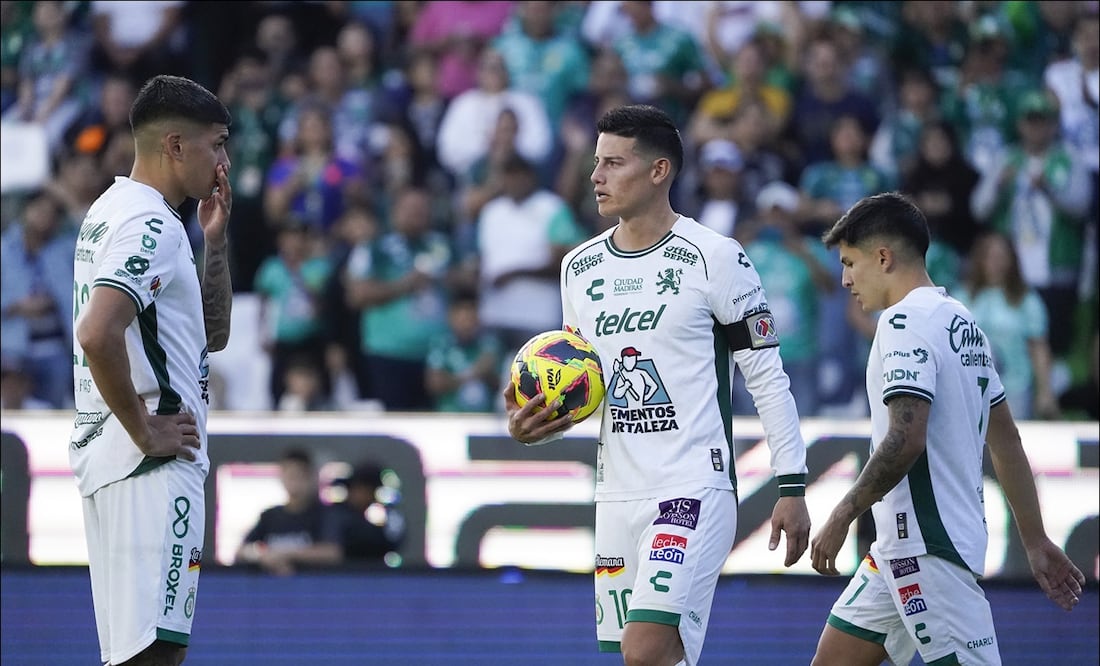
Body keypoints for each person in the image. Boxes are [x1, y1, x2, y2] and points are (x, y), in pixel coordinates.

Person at [504, 103, 811, 666]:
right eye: (596, 163)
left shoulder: (715, 257)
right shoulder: (579, 267)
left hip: (691, 484)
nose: (596, 177)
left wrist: (791, 483)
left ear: (658, 171)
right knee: (650, 658)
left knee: (645, 650)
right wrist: (536, 426)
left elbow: (767, 377)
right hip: (617, 493)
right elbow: (584, 390)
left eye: (613, 163)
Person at [809, 192, 1085, 666]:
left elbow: (905, 438)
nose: (845, 279)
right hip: (899, 552)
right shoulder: (962, 321)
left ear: (883, 257)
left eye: (850, 263)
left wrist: (842, 513)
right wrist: (1035, 539)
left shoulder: (902, 323)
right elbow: (1007, 442)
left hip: (926, 550)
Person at [69, 74, 233, 666]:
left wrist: (215, 241)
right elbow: (95, 332)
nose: (224, 160)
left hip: (114, 462)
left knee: (130, 658)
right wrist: (146, 429)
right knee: (155, 659)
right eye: (216, 144)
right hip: (152, 469)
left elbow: (209, 337)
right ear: (175, 146)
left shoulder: (113, 210)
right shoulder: (152, 226)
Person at [234, 447, 345, 576]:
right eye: (289, 474)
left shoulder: (325, 514)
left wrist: (287, 555)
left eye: (299, 475)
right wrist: (262, 557)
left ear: (311, 477)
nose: (294, 481)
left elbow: (332, 553)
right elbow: (241, 551)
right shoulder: (270, 516)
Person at [330, 461, 406, 562]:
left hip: (376, 571)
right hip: (340, 572)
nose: (357, 494)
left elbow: (394, 542)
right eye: (354, 488)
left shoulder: (389, 516)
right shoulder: (336, 514)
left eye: (364, 489)